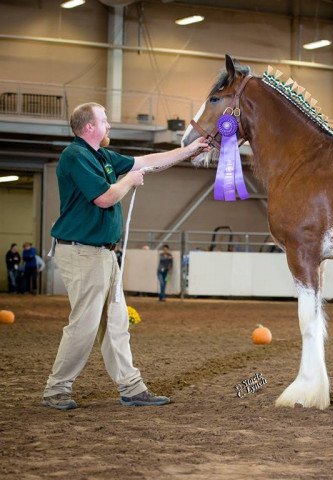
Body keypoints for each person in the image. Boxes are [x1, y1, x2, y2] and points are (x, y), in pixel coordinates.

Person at [42, 102, 210, 410]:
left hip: (104, 254)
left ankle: (132, 388)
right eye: (104, 121)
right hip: (82, 252)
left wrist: (189, 151)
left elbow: (147, 160)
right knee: (85, 324)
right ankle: (56, 389)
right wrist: (128, 182)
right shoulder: (75, 156)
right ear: (89, 127)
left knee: (117, 323)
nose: (109, 126)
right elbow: (105, 198)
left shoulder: (103, 156)